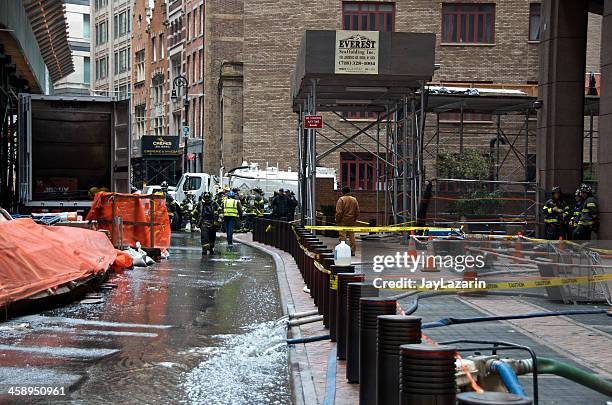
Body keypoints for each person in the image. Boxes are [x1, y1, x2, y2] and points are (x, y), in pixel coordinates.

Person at [335, 186, 360, 256]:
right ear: (349, 192)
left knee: (342, 236)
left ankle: (344, 251)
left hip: (342, 221)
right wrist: (354, 219)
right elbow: (357, 211)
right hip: (351, 221)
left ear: (342, 192)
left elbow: (338, 212)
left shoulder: (341, 199)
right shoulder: (354, 199)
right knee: (352, 236)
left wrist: (337, 220)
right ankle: (353, 251)